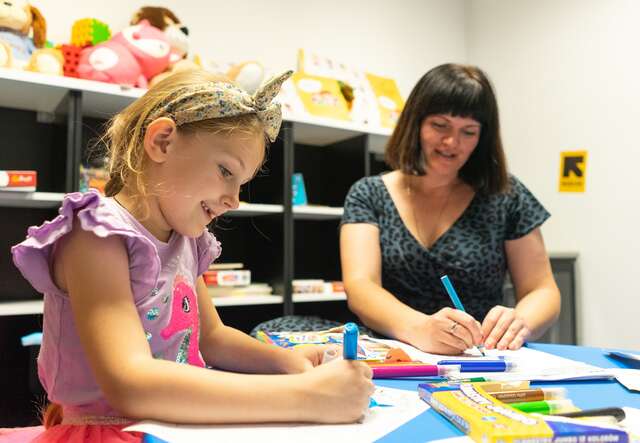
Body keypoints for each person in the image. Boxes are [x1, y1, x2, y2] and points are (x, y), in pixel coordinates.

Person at [10, 69, 373, 442]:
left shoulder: (185, 239)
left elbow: (212, 337)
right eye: (225, 171)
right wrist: (309, 398)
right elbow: (130, 383)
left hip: (172, 424)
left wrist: (291, 363)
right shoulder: (96, 236)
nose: (234, 200)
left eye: (241, 183)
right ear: (163, 141)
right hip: (109, 431)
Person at [340, 63, 561, 356]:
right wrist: (419, 329)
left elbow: (542, 290)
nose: (451, 142)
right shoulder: (368, 193)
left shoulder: (506, 195)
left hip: (478, 355)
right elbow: (361, 286)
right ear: (416, 123)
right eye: (440, 125)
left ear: (483, 138)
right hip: (394, 351)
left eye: (468, 132)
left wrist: (520, 321)